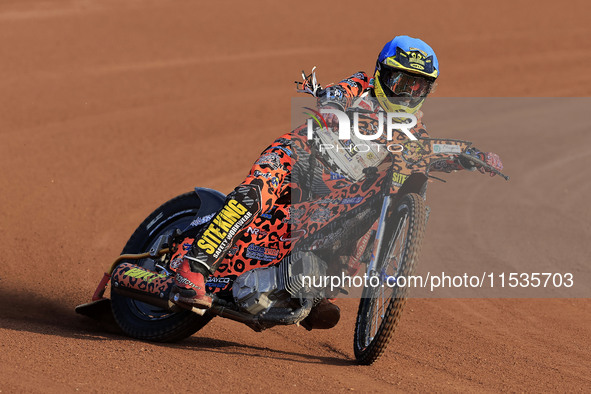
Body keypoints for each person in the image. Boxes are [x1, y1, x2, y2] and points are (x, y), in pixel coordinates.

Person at [168, 35, 503, 312]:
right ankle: (191, 267)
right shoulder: (361, 85)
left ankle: (305, 288)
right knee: (256, 192)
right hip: (296, 157)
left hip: (330, 192)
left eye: (418, 88)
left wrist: (469, 157)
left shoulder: (415, 128)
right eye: (401, 82)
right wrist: (331, 108)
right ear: (381, 74)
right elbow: (335, 94)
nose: (408, 94)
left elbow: (423, 157)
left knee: (365, 214)